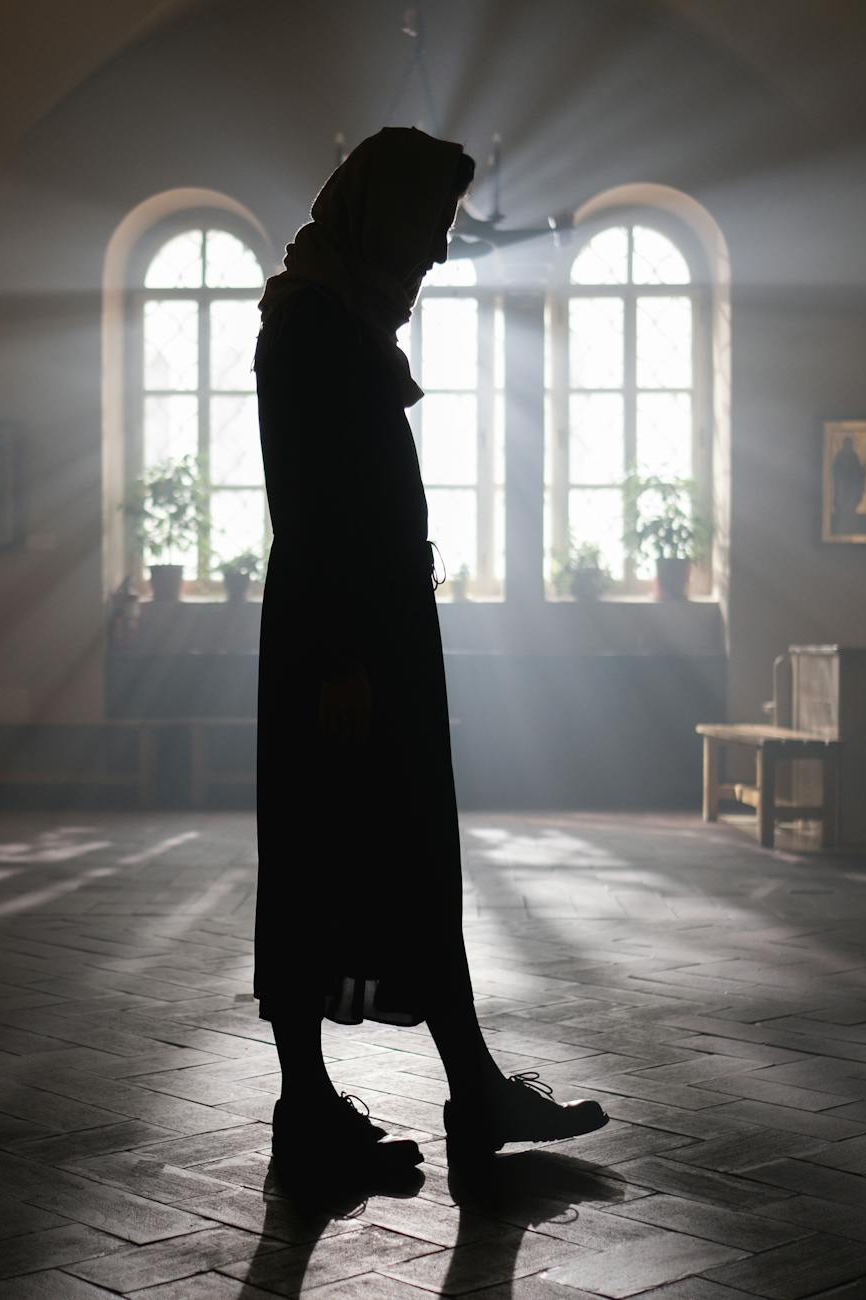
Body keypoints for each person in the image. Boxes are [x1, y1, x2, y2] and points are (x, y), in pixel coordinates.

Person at [253, 126, 606, 1174]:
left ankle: (466, 1089)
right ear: (383, 215)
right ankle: (312, 1108)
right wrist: (347, 664)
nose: (441, 254)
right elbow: (313, 510)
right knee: (328, 863)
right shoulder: (313, 328)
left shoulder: (337, 321)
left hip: (369, 636)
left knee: (409, 861)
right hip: (344, 647)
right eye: (432, 227)